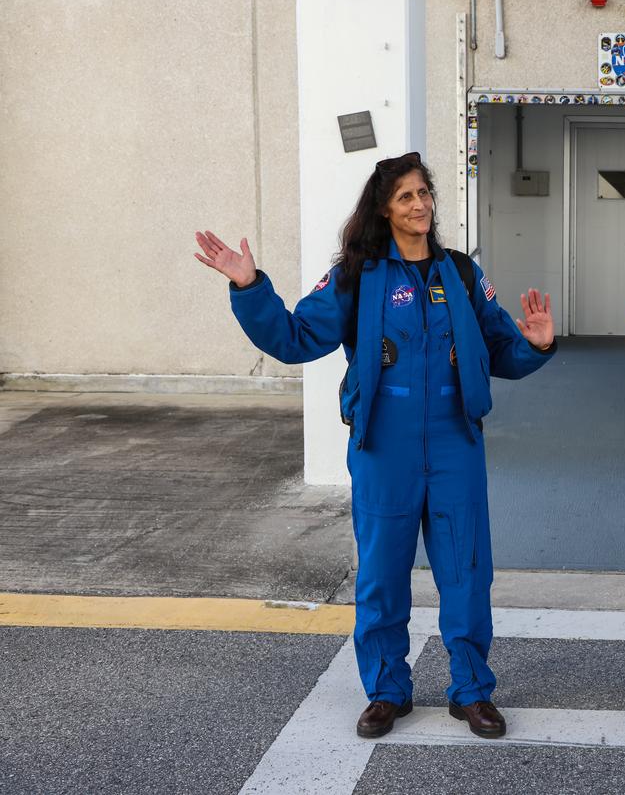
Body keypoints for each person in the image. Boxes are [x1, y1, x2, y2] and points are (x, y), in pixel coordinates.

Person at [194, 152, 555, 740]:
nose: (419, 205)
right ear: (384, 208)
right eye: (406, 196)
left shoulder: (461, 275)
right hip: (382, 446)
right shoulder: (356, 277)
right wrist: (249, 287)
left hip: (455, 443)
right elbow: (293, 337)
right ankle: (387, 690)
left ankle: (471, 691)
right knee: (382, 575)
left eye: (424, 194)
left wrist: (536, 345)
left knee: (466, 572)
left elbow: (501, 350)